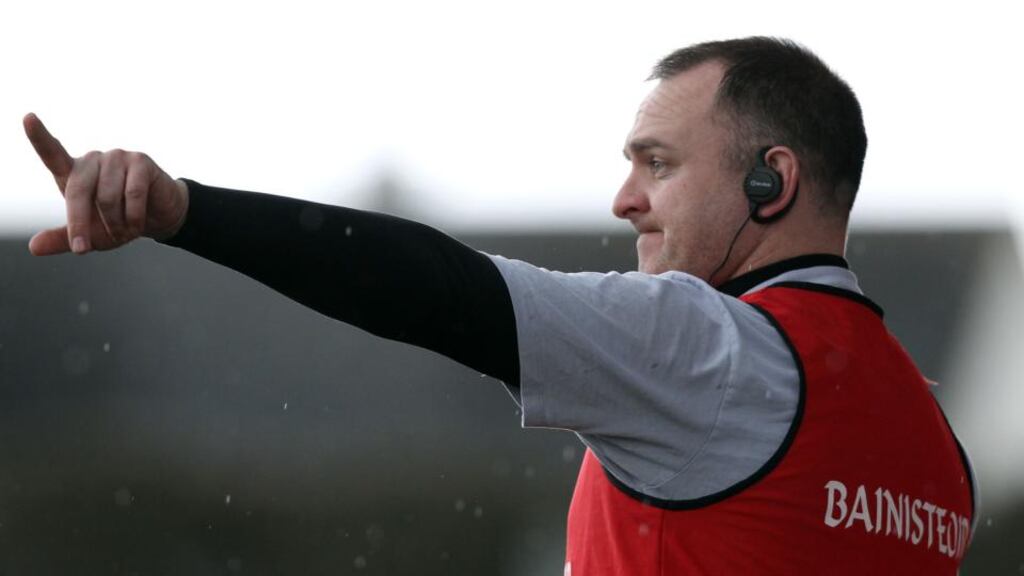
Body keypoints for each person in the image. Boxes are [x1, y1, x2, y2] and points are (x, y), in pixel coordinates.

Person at [24, 37, 976, 574]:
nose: (624, 201)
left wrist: (186, 211)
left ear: (772, 182)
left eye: (658, 163)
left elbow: (439, 289)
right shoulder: (938, 443)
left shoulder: (704, 347)